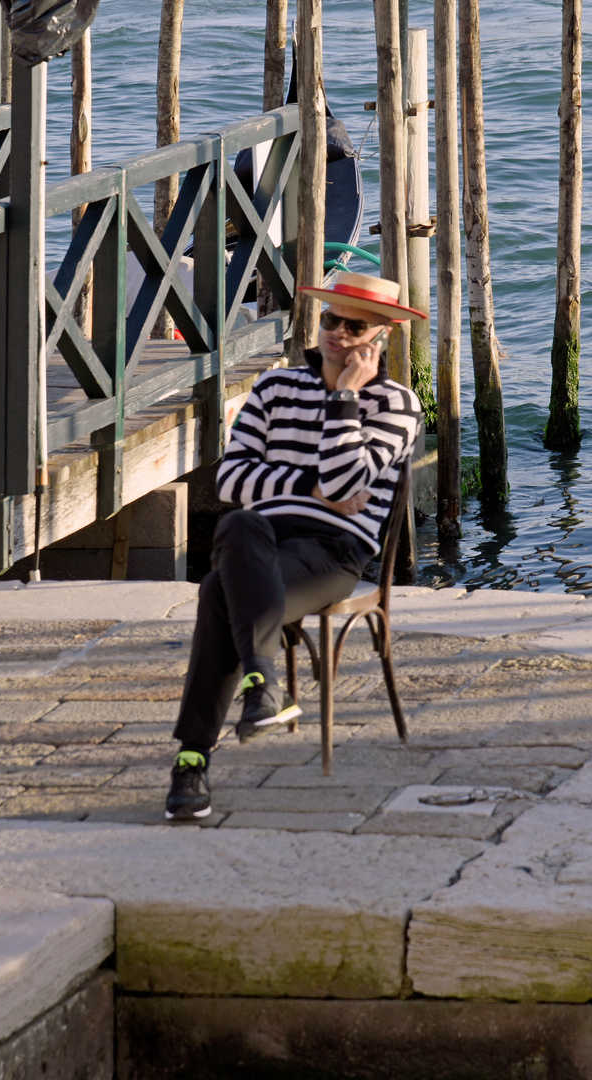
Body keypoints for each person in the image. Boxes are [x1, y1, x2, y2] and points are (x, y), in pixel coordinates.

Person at [166, 270, 425, 821]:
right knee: (236, 527)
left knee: (217, 589)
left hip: (332, 553)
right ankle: (262, 684)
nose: (335, 333)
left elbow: (343, 486)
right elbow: (230, 483)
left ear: (378, 339)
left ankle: (192, 760)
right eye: (330, 320)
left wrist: (346, 399)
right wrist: (307, 487)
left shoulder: (397, 404)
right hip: (258, 538)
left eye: (353, 326)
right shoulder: (275, 388)